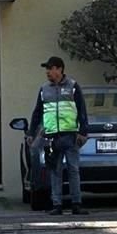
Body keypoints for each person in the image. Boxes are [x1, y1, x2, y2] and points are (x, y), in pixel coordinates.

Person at [29, 56, 89, 215]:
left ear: (60, 69)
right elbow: (37, 112)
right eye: (47, 69)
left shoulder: (73, 86)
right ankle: (57, 204)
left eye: (51, 68)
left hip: (70, 135)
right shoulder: (44, 89)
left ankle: (76, 203)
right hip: (52, 137)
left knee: (73, 169)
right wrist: (31, 132)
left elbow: (82, 110)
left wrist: (83, 132)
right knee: (55, 170)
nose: (48, 72)